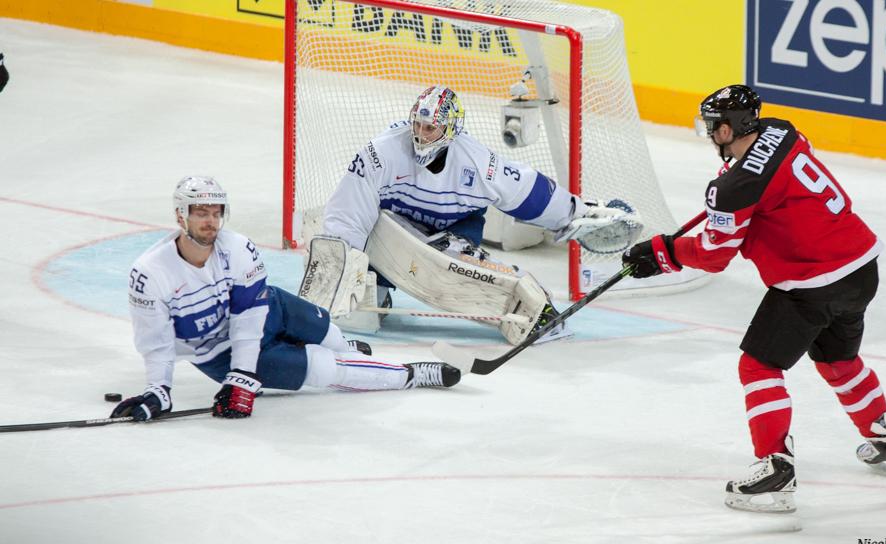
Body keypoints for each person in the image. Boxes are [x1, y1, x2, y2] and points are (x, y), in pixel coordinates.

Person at [622, 84, 886, 513]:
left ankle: (776, 470)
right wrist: (737, 195)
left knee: (758, 365)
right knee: (839, 360)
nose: (710, 134)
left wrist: (663, 253)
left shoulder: (735, 187)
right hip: (860, 268)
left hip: (812, 282)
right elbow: (772, 183)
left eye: (712, 126)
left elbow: (714, 256)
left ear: (726, 130)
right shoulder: (783, 131)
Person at [113, 176, 460, 422]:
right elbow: (156, 342)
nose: (211, 221)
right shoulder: (150, 274)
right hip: (218, 354)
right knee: (324, 369)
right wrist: (159, 390)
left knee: (326, 330)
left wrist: (243, 376)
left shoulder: (238, 248)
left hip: (267, 312)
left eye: (216, 212)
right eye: (201, 213)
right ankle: (410, 374)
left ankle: (346, 347)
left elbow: (248, 320)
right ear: (180, 216)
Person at [313, 85, 640, 345]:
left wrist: (577, 214)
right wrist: (338, 277)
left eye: (431, 128)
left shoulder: (479, 164)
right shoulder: (380, 152)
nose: (421, 135)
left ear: (450, 129)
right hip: (393, 230)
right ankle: (378, 290)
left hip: (455, 229)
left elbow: (528, 192)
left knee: (449, 275)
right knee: (372, 253)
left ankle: (528, 306)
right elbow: (347, 214)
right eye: (418, 125)